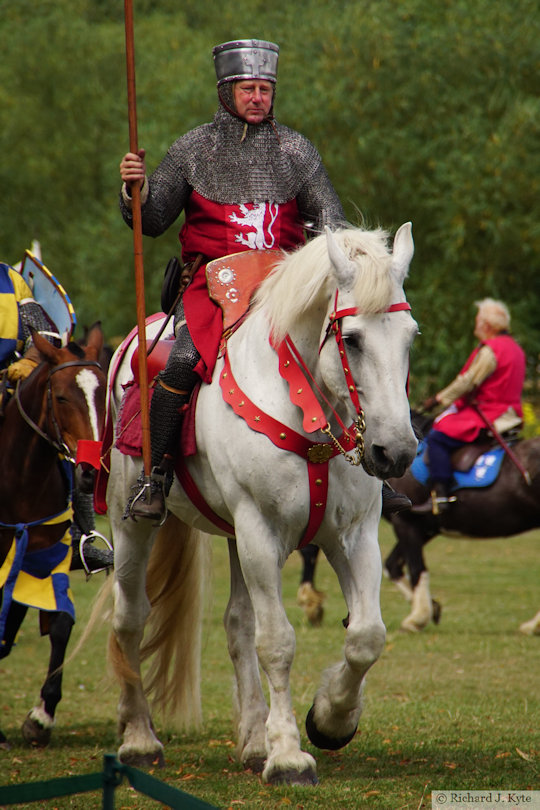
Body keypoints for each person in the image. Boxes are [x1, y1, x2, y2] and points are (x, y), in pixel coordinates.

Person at [119, 38, 411, 521]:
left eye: (265, 89)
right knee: (183, 359)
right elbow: (151, 221)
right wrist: (136, 189)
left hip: (286, 287)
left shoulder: (296, 152)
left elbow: (331, 226)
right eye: (248, 88)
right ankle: (156, 477)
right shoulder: (193, 149)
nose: (257, 97)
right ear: (227, 91)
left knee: (366, 347)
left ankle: (377, 475)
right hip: (213, 286)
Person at [0, 260, 112, 572]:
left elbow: (42, 331)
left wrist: (31, 360)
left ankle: (81, 537)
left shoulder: (10, 278)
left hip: (12, 382)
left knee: (57, 439)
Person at [420, 298, 526, 514]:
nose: (476, 324)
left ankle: (441, 493)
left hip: (490, 414)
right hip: (511, 414)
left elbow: (468, 382)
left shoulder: (491, 350)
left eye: (478, 320)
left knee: (437, 437)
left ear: (487, 325)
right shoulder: (516, 349)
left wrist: (439, 399)